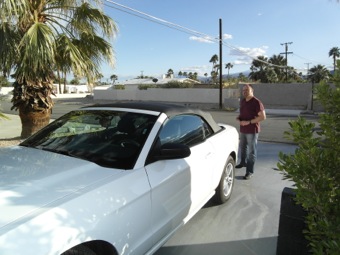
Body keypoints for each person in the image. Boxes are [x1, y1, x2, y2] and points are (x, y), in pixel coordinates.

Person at [236, 84, 266, 180]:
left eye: (247, 90)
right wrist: (239, 118)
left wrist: (248, 122)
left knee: (251, 152)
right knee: (243, 147)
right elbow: (244, 113)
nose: (244, 91)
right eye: (243, 90)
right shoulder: (243, 101)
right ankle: (242, 163)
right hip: (243, 129)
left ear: (252, 91)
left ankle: (249, 171)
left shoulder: (257, 102)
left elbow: (263, 117)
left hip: (252, 131)